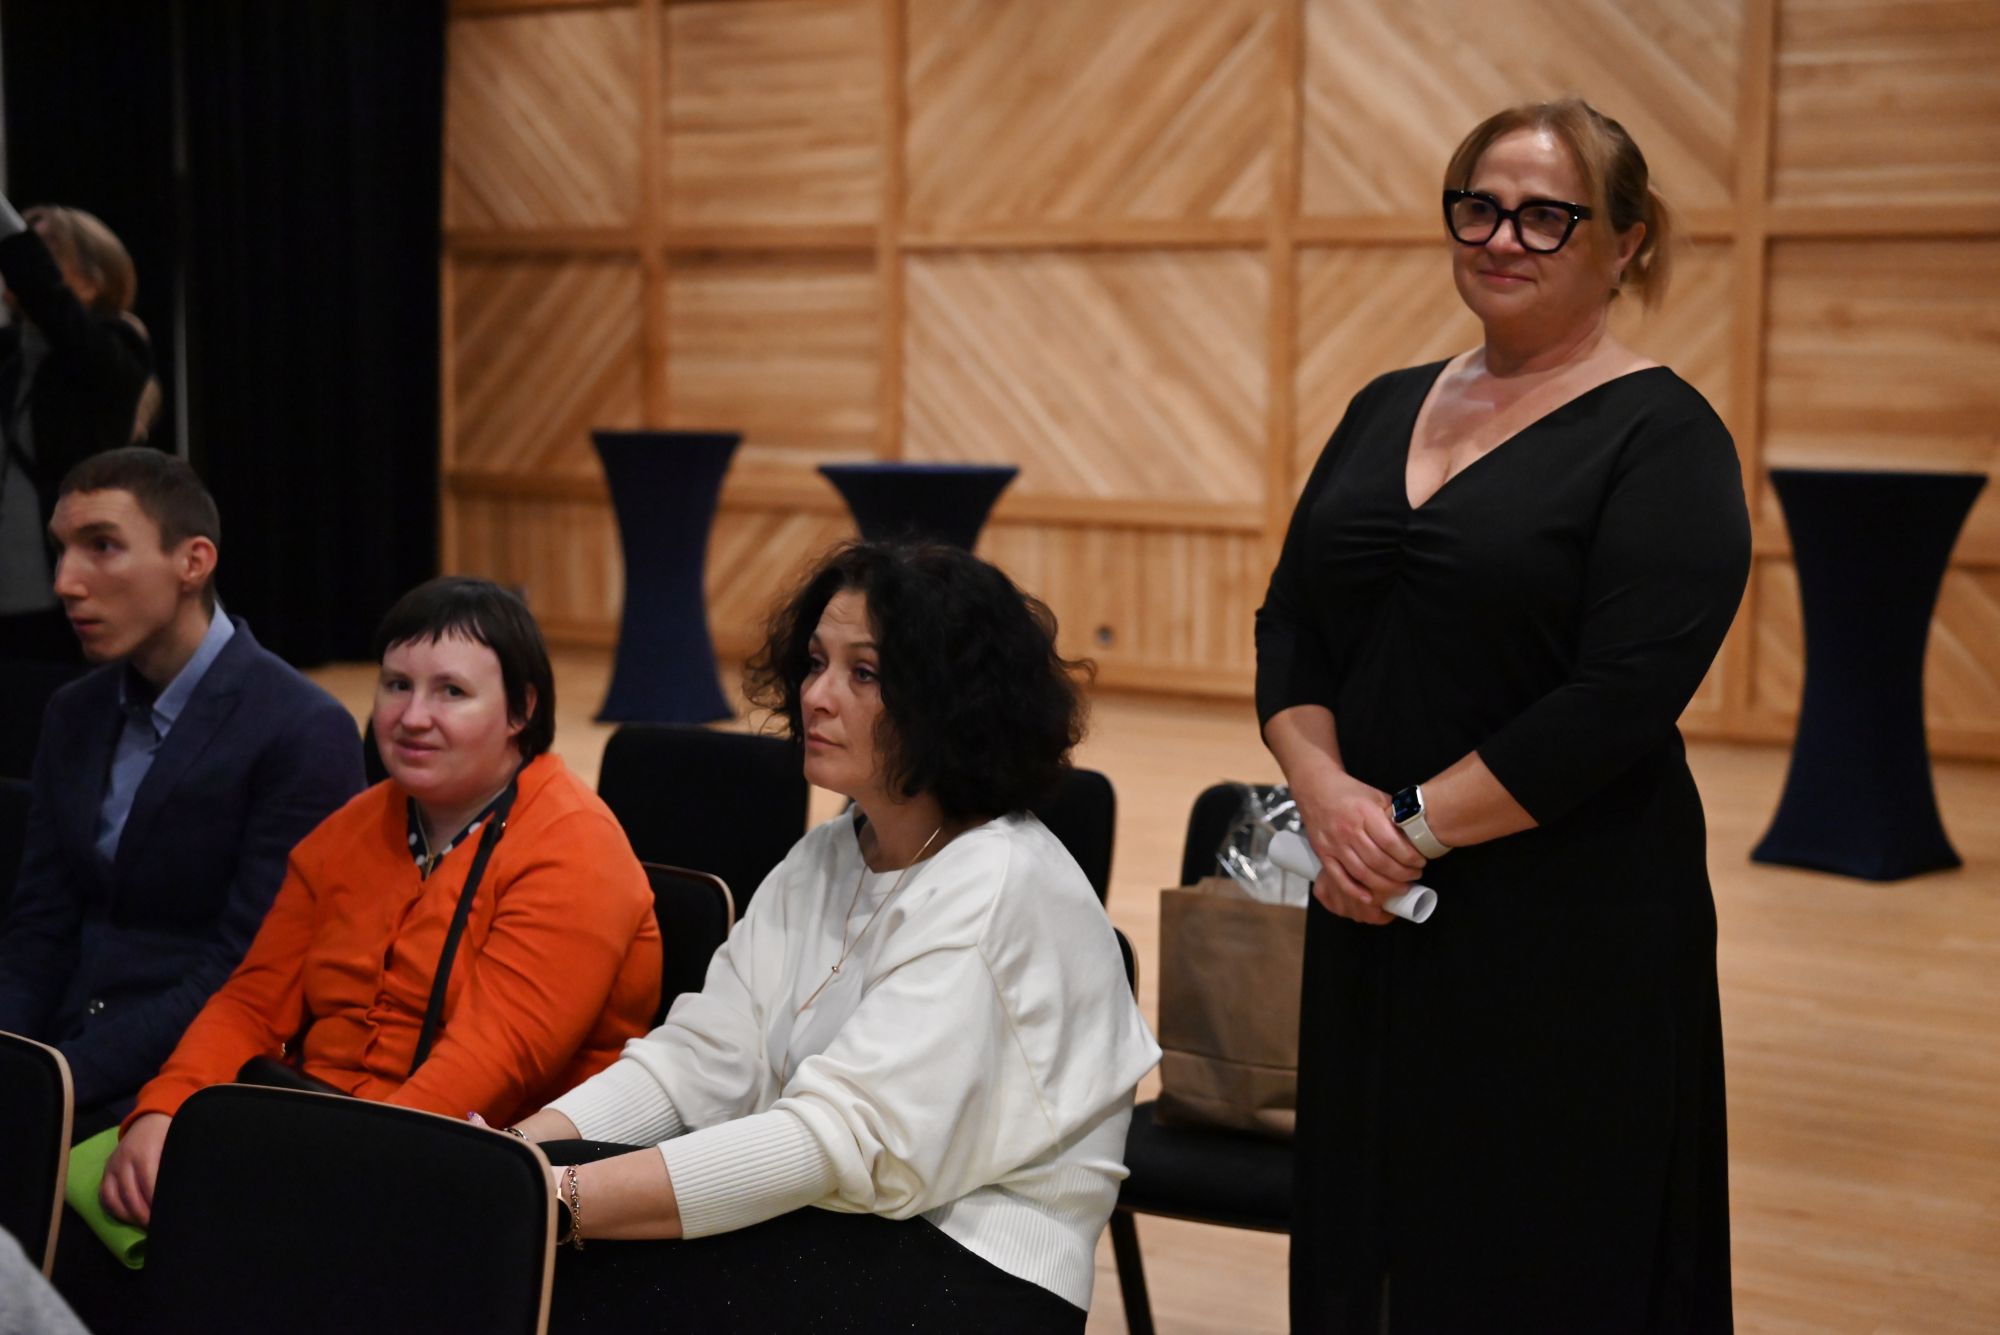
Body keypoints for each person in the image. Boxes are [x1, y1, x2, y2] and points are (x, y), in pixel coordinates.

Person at [1256, 98, 1751, 1332]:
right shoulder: (1381, 404)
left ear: (1624, 242)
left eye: (1544, 216)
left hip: (1564, 916)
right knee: (1369, 1226)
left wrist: (1408, 828)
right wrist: (1328, 797)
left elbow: (1617, 700)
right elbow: (1292, 624)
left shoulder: (1664, 435)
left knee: (1533, 1244)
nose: (1500, 237)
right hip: (1367, 895)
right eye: (1477, 207)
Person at [499, 541, 1157, 1333]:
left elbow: (831, 1141)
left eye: (864, 673)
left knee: (561, 1260)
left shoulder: (998, 882)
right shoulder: (828, 854)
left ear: (951, 701)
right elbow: (699, 1061)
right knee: (524, 1225)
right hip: (852, 1220)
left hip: (979, 1269)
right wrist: (515, 1155)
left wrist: (553, 1198)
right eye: (815, 663)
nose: (816, 694)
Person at [96, 576, 663, 1231]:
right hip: (312, 1135)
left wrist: (331, 1173)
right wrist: (166, 1107)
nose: (412, 716)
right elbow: (252, 1002)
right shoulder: (349, 829)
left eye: (451, 691)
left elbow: (492, 1064)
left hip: (478, 1175)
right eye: (397, 685)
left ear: (521, 710)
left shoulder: (576, 847)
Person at [0, 447, 362, 1137]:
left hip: (187, 1081)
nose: (66, 581)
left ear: (193, 562)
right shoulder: (75, 711)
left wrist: (57, 1078)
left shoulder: (301, 728)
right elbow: (39, 924)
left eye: (102, 546)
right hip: (59, 1053)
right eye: (62, 549)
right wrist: (13, 1055)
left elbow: (247, 969)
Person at [0, 197, 155, 662]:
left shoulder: (116, 347)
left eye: (43, 247)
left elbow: (50, 301)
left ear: (92, 278)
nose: (20, 260)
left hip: (69, 595)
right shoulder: (9, 354)